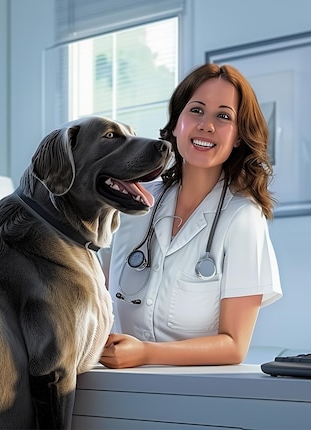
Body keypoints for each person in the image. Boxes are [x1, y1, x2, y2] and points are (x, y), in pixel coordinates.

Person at [99, 63, 282, 369]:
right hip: (117, 387)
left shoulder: (243, 218)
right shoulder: (133, 202)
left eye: (223, 116)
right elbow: (94, 297)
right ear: (176, 124)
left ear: (238, 137)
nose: (206, 125)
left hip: (196, 394)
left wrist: (145, 353)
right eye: (196, 110)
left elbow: (234, 346)